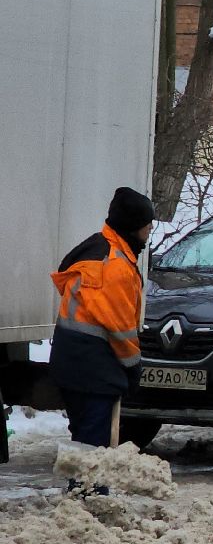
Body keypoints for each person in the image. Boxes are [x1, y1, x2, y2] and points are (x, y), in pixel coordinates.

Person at [49, 187, 154, 448]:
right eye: (147, 225)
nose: (149, 230)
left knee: (85, 442)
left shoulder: (99, 247)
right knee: (93, 448)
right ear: (133, 226)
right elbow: (120, 330)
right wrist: (133, 369)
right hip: (93, 368)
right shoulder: (114, 266)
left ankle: (83, 474)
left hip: (74, 361)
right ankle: (87, 477)